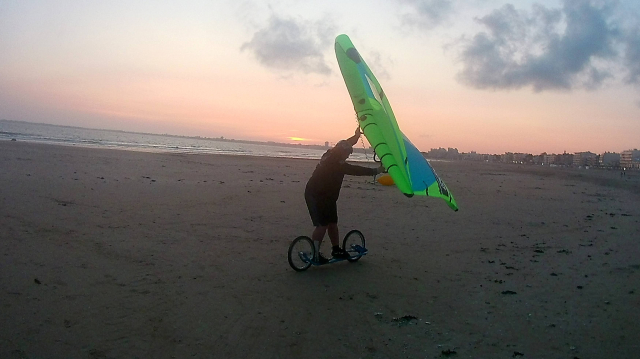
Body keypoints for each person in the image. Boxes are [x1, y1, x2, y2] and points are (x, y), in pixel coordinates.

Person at [304, 127, 384, 263]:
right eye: (347, 154)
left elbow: (345, 143)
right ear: (342, 154)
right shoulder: (336, 164)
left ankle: (336, 249)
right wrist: (376, 170)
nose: (348, 156)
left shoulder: (330, 152)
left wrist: (356, 136)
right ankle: (315, 254)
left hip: (328, 197)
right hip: (315, 195)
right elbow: (356, 170)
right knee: (322, 225)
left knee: (333, 224)